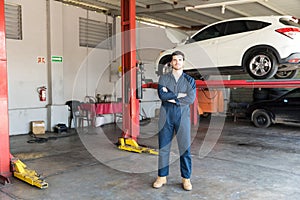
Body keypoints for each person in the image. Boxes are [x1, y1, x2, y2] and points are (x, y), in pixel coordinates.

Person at [153, 50, 196, 191]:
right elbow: (162, 95)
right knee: (164, 146)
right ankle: (162, 176)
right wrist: (179, 96)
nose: (177, 62)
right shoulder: (164, 79)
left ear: (183, 62)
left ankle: (186, 178)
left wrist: (171, 96)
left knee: (185, 148)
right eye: (174, 60)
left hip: (182, 116)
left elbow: (190, 98)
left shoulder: (190, 80)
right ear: (171, 62)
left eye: (179, 60)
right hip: (166, 115)